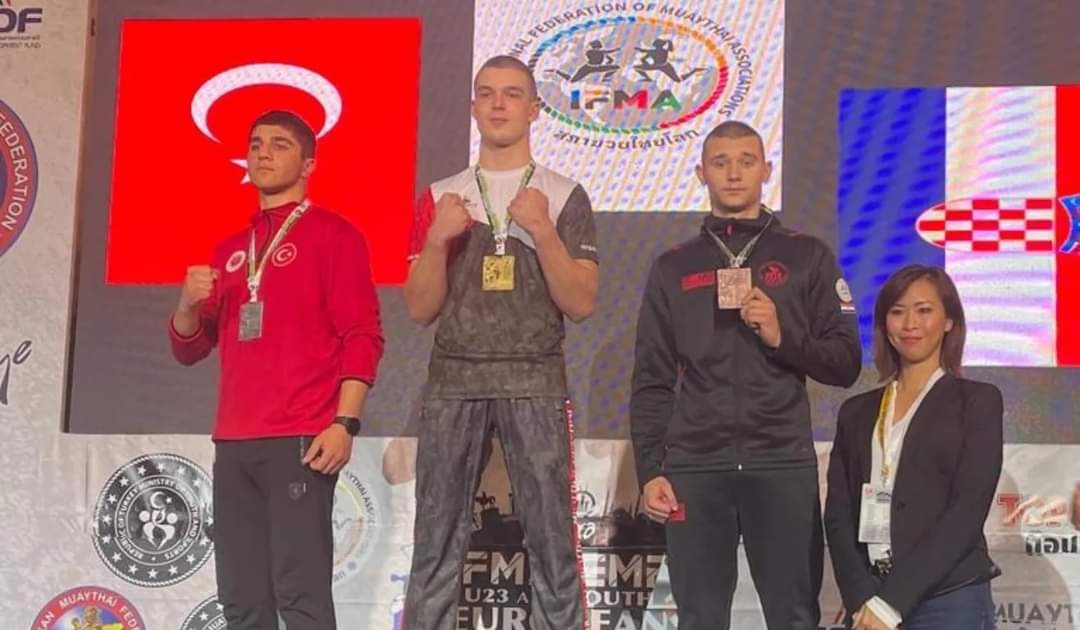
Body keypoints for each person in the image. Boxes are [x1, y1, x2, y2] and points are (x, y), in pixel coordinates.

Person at [630, 120, 861, 629]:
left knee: (794, 616)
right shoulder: (673, 267)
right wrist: (650, 470)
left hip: (780, 462)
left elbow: (846, 362)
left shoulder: (807, 256)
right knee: (699, 619)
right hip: (695, 468)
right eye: (720, 162)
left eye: (746, 161)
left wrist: (783, 337)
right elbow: (651, 380)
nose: (734, 173)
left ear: (766, 170)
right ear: (701, 173)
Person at [402, 55, 599, 630]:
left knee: (553, 543)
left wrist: (541, 229)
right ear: (472, 107)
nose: (498, 104)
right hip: (453, 384)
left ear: (534, 109)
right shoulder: (442, 196)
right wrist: (437, 240)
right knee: (434, 542)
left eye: (512, 94)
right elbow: (419, 308)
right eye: (486, 93)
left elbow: (581, 303)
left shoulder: (563, 195)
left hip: (534, 381)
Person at [169, 110, 384, 629]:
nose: (263, 153)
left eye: (280, 144)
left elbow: (363, 335)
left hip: (299, 438)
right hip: (234, 442)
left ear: (309, 164)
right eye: (256, 143)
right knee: (242, 600)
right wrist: (186, 305)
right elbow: (190, 349)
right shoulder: (231, 250)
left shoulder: (335, 235)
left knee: (300, 598)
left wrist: (344, 422)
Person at [825, 264, 1002, 630]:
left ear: (949, 321)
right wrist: (861, 600)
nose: (910, 324)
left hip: (947, 598)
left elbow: (967, 512)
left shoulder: (977, 402)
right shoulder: (855, 412)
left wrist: (891, 604)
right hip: (869, 600)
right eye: (897, 311)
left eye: (924, 310)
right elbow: (838, 515)